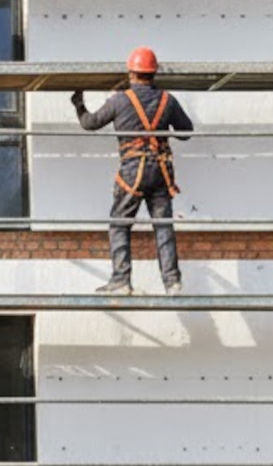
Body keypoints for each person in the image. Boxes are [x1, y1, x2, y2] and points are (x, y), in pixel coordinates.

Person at [71, 46, 195, 296]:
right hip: (161, 170)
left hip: (133, 172)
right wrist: (160, 127)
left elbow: (90, 124)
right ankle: (172, 283)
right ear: (153, 73)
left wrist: (79, 104)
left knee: (120, 224)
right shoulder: (167, 100)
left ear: (131, 72)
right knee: (163, 227)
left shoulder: (119, 100)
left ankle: (121, 281)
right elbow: (185, 132)